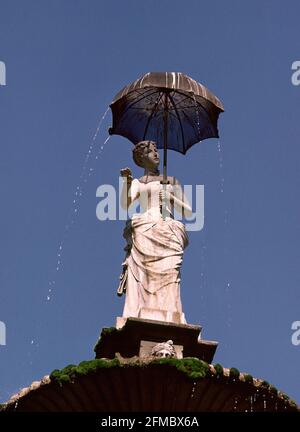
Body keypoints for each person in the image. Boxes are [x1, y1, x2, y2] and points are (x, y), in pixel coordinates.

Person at [118, 140, 192, 324]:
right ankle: (141, 309)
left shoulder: (171, 181)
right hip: (146, 228)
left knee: (170, 272)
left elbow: (188, 211)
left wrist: (171, 197)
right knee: (144, 276)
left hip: (167, 229)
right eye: (151, 152)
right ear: (142, 159)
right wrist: (126, 182)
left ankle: (171, 311)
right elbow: (125, 203)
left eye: (157, 150)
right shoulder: (138, 182)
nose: (156, 154)